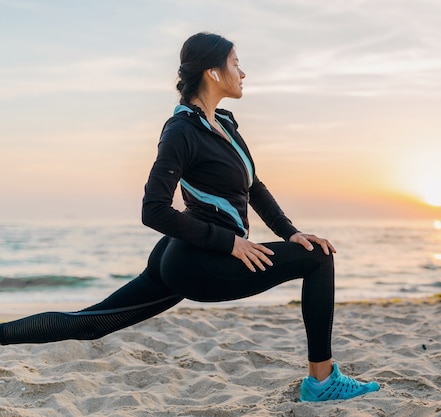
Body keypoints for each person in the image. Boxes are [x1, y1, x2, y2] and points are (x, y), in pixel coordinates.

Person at [0, 32, 379, 402]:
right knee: (319, 259)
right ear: (213, 73)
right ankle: (322, 380)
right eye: (235, 63)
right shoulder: (181, 130)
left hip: (187, 254)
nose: (243, 72)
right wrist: (229, 242)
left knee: (93, 323)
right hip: (200, 260)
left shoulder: (225, 124)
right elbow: (154, 210)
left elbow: (254, 187)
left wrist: (290, 233)